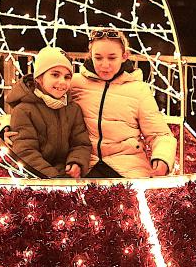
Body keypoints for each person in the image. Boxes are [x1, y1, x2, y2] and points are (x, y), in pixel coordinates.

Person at [71, 28, 176, 178]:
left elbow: (160, 134)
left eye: (112, 58)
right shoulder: (74, 83)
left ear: (124, 56)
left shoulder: (138, 90)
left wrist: (162, 158)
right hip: (86, 166)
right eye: (98, 58)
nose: (105, 65)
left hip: (128, 169)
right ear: (90, 56)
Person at [1, 46, 91, 178]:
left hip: (64, 176)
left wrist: (77, 162)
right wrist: (54, 179)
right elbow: (25, 153)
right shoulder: (23, 110)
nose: (62, 82)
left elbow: (80, 143)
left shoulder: (72, 109)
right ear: (39, 78)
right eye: (55, 75)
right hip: (36, 178)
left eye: (67, 77)